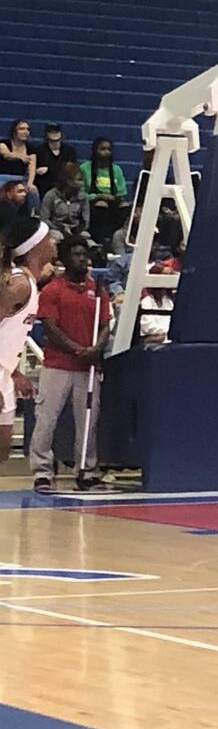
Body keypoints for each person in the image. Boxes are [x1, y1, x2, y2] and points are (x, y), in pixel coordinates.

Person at [31, 235, 112, 491]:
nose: (82, 260)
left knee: (88, 419)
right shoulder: (53, 290)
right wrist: (78, 349)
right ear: (64, 260)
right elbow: (51, 328)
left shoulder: (97, 291)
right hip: (57, 365)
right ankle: (42, 471)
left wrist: (97, 348)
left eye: (84, 255)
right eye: (76, 255)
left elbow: (105, 324)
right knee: (47, 418)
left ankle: (86, 470)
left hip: (88, 367)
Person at [0, 218, 56, 475]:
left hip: (4, 372)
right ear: (35, 247)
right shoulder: (18, 284)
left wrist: (14, 372)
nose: (54, 242)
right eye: (49, 238)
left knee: (2, 449)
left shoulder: (29, 284)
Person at [81, 138, 130, 248]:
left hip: (112, 202)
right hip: (92, 202)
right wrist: (98, 196)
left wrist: (115, 197)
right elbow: (80, 193)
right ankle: (100, 240)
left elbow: (122, 192)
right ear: (95, 151)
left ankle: (116, 239)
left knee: (125, 206)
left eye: (109, 149)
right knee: (101, 205)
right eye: (102, 149)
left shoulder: (116, 169)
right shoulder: (85, 168)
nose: (106, 152)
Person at [39, 161, 91, 246]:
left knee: (87, 239)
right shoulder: (51, 195)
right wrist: (60, 228)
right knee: (56, 237)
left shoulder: (83, 197)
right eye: (79, 180)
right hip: (55, 230)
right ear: (68, 180)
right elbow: (44, 219)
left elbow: (86, 221)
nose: (82, 183)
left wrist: (76, 230)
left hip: (76, 230)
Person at [32, 123, 76, 198]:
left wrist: (49, 169)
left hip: (64, 184)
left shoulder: (69, 151)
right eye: (51, 132)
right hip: (45, 186)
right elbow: (37, 172)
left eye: (56, 131)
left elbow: (70, 169)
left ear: (61, 134)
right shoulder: (40, 151)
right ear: (46, 135)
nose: (54, 134)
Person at [0, 120, 37, 201]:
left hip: (20, 179)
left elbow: (32, 168)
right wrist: (21, 157)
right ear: (14, 131)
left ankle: (34, 212)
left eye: (27, 129)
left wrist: (30, 183)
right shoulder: (4, 143)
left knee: (33, 191)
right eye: (22, 129)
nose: (26, 132)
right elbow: (7, 155)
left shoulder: (31, 148)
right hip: (3, 177)